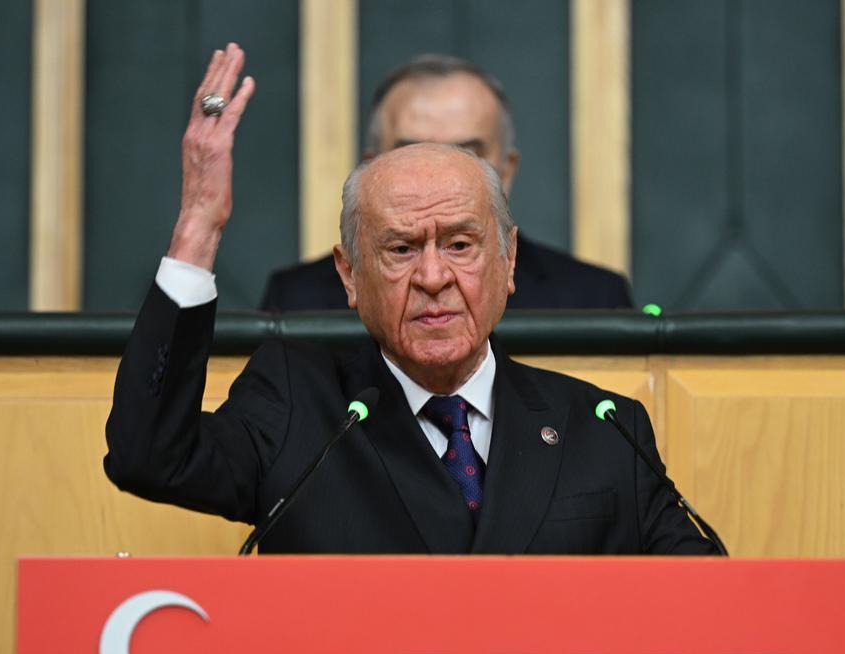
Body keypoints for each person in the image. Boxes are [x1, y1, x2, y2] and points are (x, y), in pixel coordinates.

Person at [104, 44, 712, 555]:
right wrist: (198, 229)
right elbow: (148, 457)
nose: (432, 276)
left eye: (460, 244)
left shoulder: (605, 429)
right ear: (349, 274)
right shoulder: (298, 407)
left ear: (509, 262)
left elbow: (706, 600)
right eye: (400, 249)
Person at [259, 54, 633, 311]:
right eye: (413, 153)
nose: (439, 176)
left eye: (467, 154)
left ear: (508, 170)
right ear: (369, 170)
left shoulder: (591, 299)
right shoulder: (298, 301)